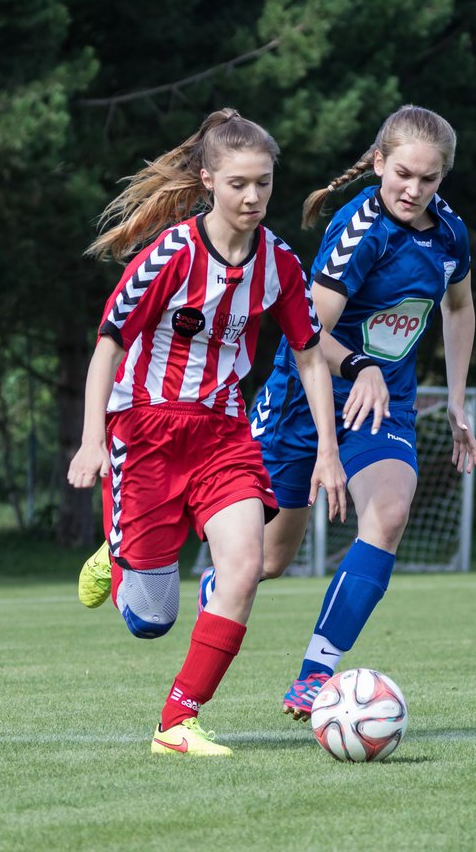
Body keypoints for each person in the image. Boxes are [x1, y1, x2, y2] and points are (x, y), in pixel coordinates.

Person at [68, 108, 347, 757]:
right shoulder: (170, 255)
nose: (253, 197)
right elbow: (108, 346)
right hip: (144, 432)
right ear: (208, 180)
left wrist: (328, 453)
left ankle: (177, 722)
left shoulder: (278, 261)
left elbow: (309, 354)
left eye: (264, 183)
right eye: (238, 184)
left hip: (222, 433)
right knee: (151, 620)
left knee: (245, 567)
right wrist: (90, 439)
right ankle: (118, 558)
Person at [196, 104, 476, 721]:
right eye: (403, 173)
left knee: (391, 511)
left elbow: (459, 309)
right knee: (268, 561)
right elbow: (306, 332)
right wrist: (361, 366)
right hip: (305, 400)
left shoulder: (450, 233)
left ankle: (315, 674)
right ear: (379, 162)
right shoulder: (359, 230)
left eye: (429, 179)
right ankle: (204, 580)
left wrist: (456, 399)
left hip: (383, 407)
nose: (414, 189)